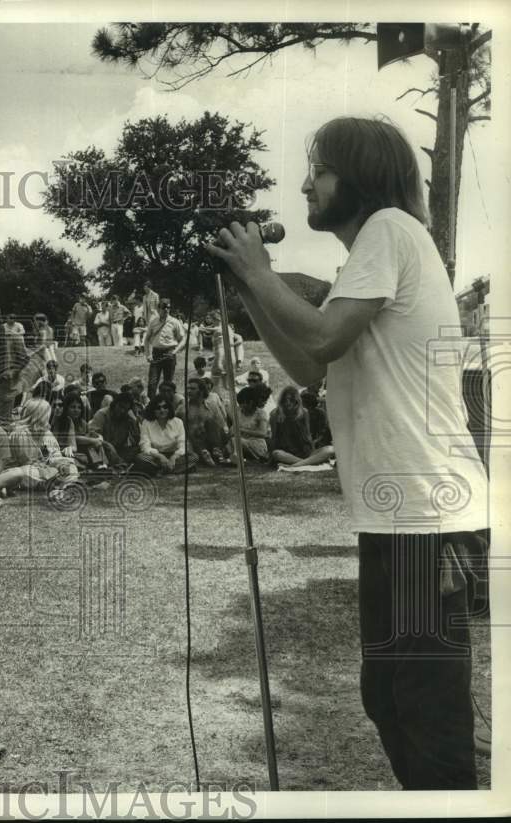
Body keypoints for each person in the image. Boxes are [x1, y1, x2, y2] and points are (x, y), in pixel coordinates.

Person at [205, 116, 491, 790]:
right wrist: (250, 287)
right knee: (387, 698)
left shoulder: (388, 228)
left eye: (320, 169)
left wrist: (260, 268)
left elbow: (326, 334)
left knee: (428, 708)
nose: (306, 184)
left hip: (428, 511)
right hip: (396, 517)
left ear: (359, 177)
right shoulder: (371, 254)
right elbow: (309, 364)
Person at [8, 398, 80, 500]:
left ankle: (61, 489)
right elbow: (26, 461)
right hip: (28, 471)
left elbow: (54, 455)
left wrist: (61, 463)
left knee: (70, 467)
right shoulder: (19, 434)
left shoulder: (46, 433)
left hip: (46, 470)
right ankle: (57, 486)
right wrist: (50, 468)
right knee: (27, 472)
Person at [267, 386, 335, 468]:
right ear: (281, 401)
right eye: (285, 400)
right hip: (286, 452)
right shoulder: (275, 414)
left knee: (331, 449)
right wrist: (271, 456)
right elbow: (274, 438)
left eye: (291, 400)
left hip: (304, 451)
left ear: (297, 401)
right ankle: (310, 462)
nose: (288, 403)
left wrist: (312, 451)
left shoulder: (304, 412)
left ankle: (297, 464)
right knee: (276, 453)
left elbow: (307, 436)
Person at [134, 396, 197, 476]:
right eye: (158, 408)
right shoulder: (147, 423)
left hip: (174, 455)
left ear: (169, 408)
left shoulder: (178, 422)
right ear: (153, 410)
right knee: (140, 458)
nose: (162, 410)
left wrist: (174, 457)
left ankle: (160, 470)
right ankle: (175, 469)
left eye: (165, 407)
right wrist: (160, 457)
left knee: (194, 457)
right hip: (155, 457)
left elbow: (182, 444)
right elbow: (144, 446)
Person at [51, 389, 109, 472]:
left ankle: (103, 464)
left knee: (99, 445)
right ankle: (97, 465)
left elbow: (90, 433)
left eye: (79, 407)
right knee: (87, 449)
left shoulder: (81, 423)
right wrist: (92, 440)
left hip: (77, 450)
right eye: (73, 407)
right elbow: (73, 439)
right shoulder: (63, 421)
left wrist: (98, 437)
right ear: (66, 408)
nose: (76, 410)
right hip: (65, 451)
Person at [144, 299, 185, 398]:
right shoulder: (153, 322)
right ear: (158, 309)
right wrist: (148, 354)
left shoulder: (175, 322)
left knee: (168, 384)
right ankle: (152, 405)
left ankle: (168, 405)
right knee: (152, 383)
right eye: (163, 307)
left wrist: (174, 352)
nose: (166, 309)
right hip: (156, 354)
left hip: (169, 353)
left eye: (168, 307)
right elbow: (147, 339)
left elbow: (183, 339)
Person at [184, 377, 229, 467]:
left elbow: (221, 426)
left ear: (201, 390)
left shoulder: (211, 407)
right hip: (193, 442)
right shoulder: (183, 409)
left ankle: (216, 452)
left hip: (209, 439)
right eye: (187, 388)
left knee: (212, 423)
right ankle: (206, 455)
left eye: (192, 389)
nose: (189, 391)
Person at [234, 384, 272, 462]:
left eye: (243, 404)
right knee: (233, 440)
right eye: (240, 404)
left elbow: (263, 433)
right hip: (242, 442)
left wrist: (241, 430)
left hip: (256, 443)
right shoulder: (239, 412)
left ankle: (236, 456)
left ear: (250, 402)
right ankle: (235, 456)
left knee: (238, 441)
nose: (241, 407)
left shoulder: (260, 413)